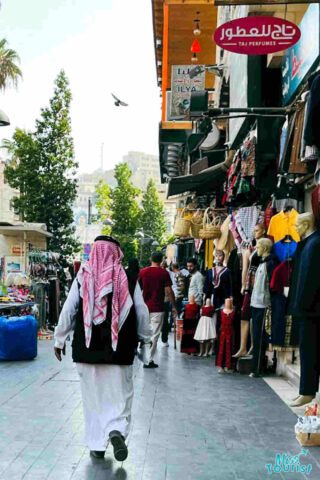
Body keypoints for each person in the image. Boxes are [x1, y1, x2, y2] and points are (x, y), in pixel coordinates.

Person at [53, 236, 152, 461]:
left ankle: (97, 445)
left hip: (86, 350)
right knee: (120, 396)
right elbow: (142, 311)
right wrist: (145, 339)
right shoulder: (128, 277)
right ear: (117, 253)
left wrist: (59, 339)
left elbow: (69, 309)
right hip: (120, 351)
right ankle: (116, 431)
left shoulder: (82, 276)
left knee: (93, 399)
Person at [138, 251, 177, 368]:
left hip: (144, 307)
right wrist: (174, 306)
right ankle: (148, 359)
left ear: (150, 259)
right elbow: (169, 291)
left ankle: (144, 356)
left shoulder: (143, 272)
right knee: (154, 334)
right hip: (158, 307)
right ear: (161, 261)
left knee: (145, 333)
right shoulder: (164, 273)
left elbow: (137, 290)